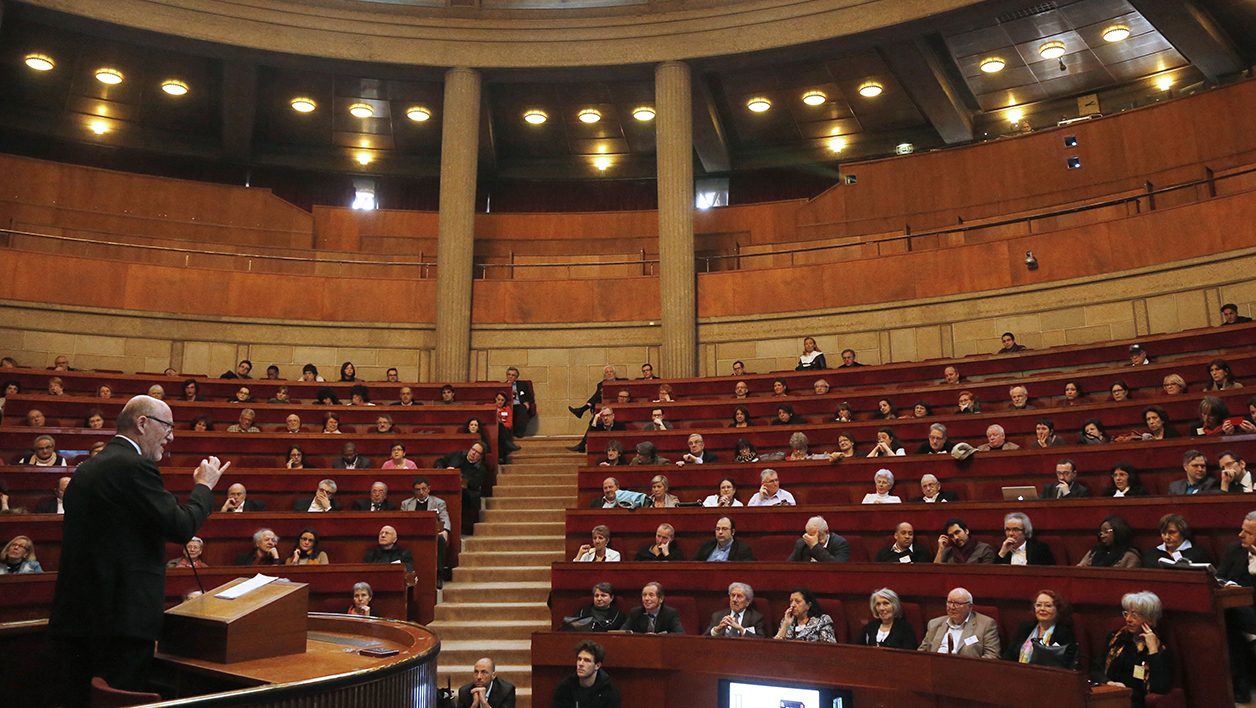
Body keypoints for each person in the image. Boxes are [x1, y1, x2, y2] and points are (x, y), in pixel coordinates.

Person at [48, 395, 224, 705]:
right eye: (167, 427)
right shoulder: (134, 466)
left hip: (79, 619)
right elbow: (181, 527)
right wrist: (204, 487)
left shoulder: (88, 469)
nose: (171, 437)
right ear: (142, 423)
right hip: (119, 626)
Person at [1090, 591, 1172, 707]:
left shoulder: (1161, 649)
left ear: (1150, 620)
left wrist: (1152, 650)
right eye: (1126, 614)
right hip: (1109, 697)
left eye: (1135, 616)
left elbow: (1160, 687)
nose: (1128, 619)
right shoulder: (1116, 640)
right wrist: (1109, 683)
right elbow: (1095, 669)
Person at [919, 587, 1000, 658]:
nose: (952, 607)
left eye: (957, 604)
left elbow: (992, 656)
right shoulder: (934, 624)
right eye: (949, 603)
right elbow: (921, 654)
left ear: (970, 607)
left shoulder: (986, 624)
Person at [400, 476, 451, 583]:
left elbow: (444, 518)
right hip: (412, 534)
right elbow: (402, 522)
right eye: (418, 490)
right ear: (413, 491)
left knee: (441, 540)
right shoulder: (406, 504)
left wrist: (445, 530)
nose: (421, 492)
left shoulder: (438, 502)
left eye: (424, 489)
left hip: (432, 533)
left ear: (429, 489)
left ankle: (438, 575)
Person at [1002, 590, 1076, 664]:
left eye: (1048, 606)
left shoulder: (1064, 634)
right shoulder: (1025, 628)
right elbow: (1009, 655)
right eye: (1038, 605)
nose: (1042, 609)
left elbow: (1064, 663)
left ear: (1058, 609)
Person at [550, 640, 620, 708]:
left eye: (587, 660)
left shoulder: (609, 692)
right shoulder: (564, 688)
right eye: (579, 659)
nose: (581, 664)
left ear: (597, 666)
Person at [438, 442, 487, 533]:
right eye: (473, 449)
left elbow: (474, 485)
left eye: (477, 452)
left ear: (480, 456)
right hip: (446, 484)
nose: (473, 453)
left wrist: (459, 477)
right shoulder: (458, 455)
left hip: (466, 494)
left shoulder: (480, 469)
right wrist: (443, 471)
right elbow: (439, 462)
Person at [1143, 513, 1212, 568]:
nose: (1167, 537)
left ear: (1182, 532)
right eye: (1163, 533)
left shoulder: (1198, 553)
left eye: (1172, 532)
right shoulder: (1151, 554)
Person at [505, 366, 535, 438]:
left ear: (516, 377)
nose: (510, 377)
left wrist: (527, 402)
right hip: (508, 405)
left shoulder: (523, 385)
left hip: (519, 404)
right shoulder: (503, 385)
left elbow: (530, 397)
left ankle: (519, 433)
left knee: (522, 409)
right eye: (509, 374)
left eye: (513, 375)